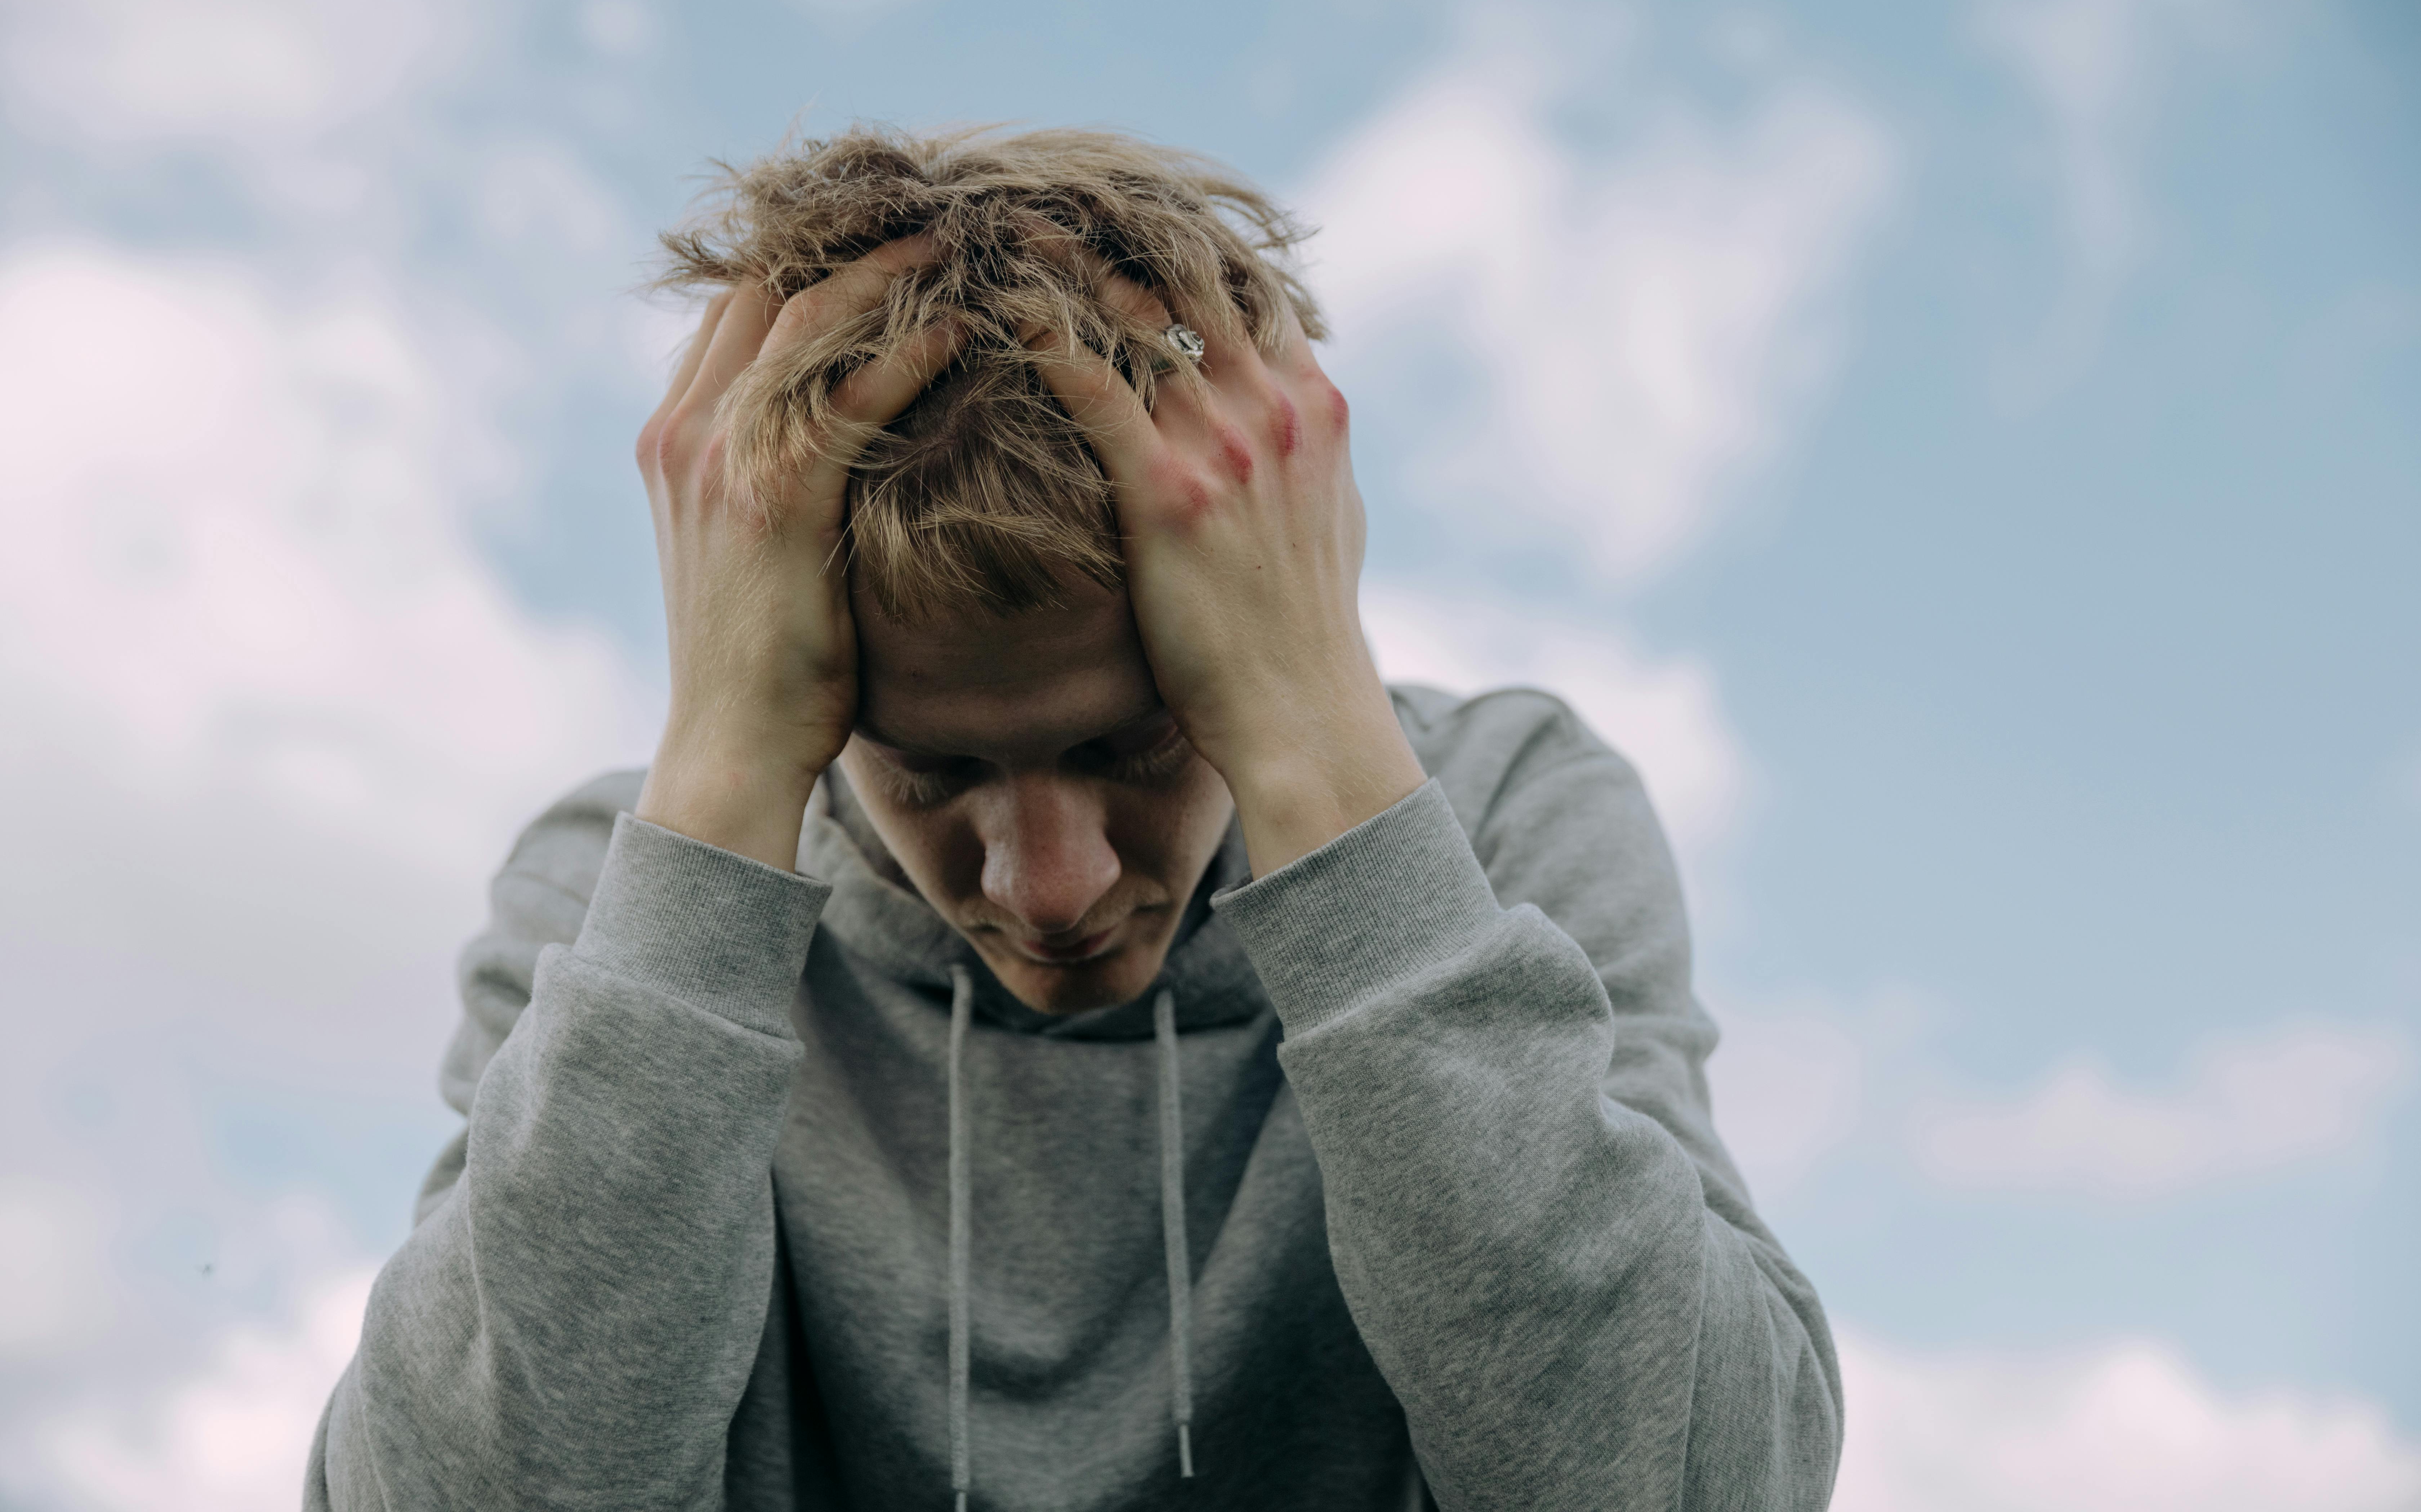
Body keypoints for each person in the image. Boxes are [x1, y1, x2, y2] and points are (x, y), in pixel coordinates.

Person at [307, 125, 1842, 1511]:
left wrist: (1324, 761)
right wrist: (716, 782)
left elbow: (1705, 1484)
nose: (1050, 885)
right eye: (928, 773)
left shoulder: (1505, 816)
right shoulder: (622, 902)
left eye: (1139, 745)